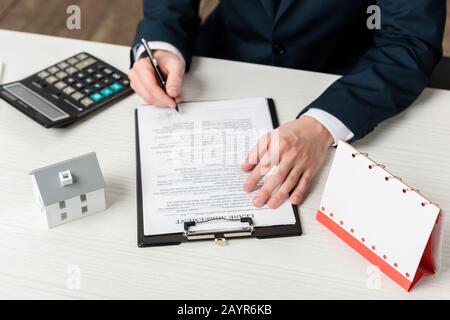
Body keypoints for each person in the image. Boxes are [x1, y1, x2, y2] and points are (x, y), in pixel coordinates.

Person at [128, 0, 445, 209]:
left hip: (344, 80)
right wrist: (161, 44)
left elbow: (409, 41)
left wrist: (321, 127)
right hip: (222, 63)